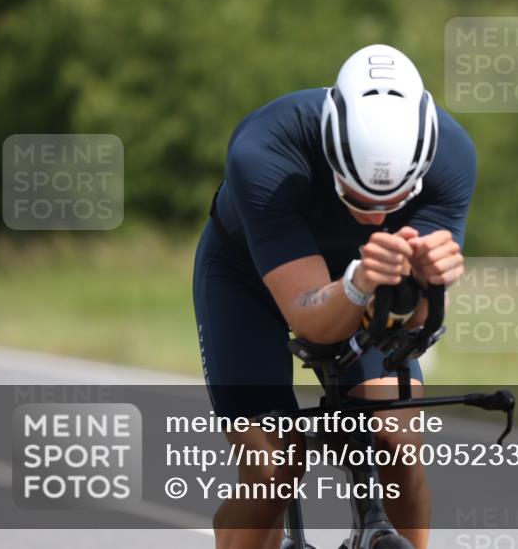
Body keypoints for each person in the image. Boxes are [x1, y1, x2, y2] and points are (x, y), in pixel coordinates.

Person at [192, 44, 476, 549]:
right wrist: (357, 282)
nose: (376, 216)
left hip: (372, 278)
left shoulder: (452, 156)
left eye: (393, 201)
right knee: (273, 469)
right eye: (357, 196)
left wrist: (431, 285)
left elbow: (415, 321)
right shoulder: (264, 149)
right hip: (246, 277)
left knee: (399, 446)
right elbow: (312, 321)